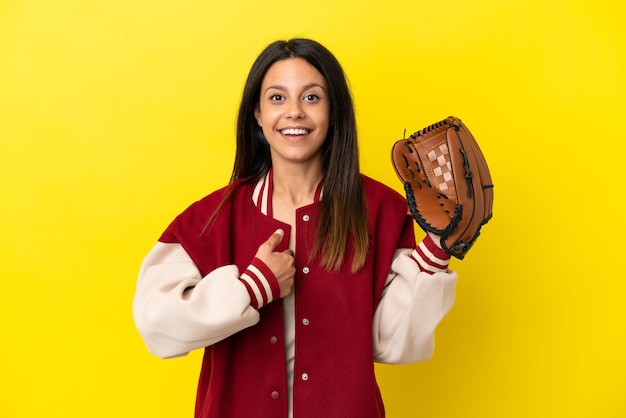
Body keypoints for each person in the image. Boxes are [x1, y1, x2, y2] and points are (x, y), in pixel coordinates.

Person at [132, 38, 457, 418]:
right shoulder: (212, 217)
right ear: (256, 112)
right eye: (277, 98)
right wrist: (251, 288)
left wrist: (436, 248)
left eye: (312, 98)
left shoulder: (381, 210)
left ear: (334, 111)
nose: (294, 113)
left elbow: (391, 342)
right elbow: (156, 326)